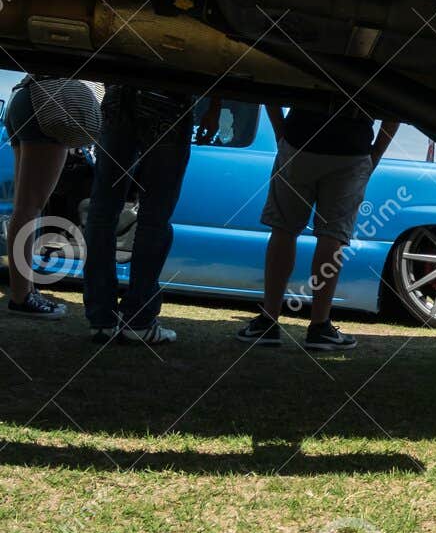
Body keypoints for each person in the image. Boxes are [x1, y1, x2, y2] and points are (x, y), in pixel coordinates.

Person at [236, 99, 395, 351]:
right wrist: (374, 154)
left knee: (284, 230)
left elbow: (271, 87)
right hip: (352, 148)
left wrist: (282, 133)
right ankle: (319, 325)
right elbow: (393, 109)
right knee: (332, 237)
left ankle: (268, 320)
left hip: (300, 138)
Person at [82, 87, 220, 346]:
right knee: (154, 216)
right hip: (169, 97)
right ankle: (138, 318)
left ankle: (102, 319)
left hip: (120, 91)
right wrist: (214, 107)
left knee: (103, 212)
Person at [5, 76, 74, 320]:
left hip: (24, 97)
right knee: (29, 208)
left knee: (24, 207)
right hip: (50, 103)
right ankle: (21, 297)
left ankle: (25, 291)